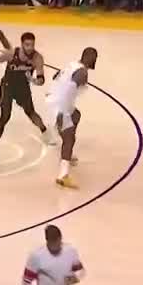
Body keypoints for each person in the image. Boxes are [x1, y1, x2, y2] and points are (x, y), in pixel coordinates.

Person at [0, 32, 55, 166]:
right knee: (5, 117)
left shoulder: (37, 58)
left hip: (23, 88)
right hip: (8, 87)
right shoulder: (12, 54)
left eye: (32, 45)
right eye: (27, 45)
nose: (30, 48)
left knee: (31, 113)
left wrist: (33, 80)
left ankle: (45, 131)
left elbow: (41, 80)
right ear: (22, 44)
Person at [45, 47, 98, 189]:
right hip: (61, 105)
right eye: (94, 58)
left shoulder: (72, 64)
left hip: (53, 100)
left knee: (77, 115)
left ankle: (66, 150)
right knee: (69, 139)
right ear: (91, 58)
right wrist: (63, 114)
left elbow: (55, 76)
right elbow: (69, 92)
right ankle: (63, 175)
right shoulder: (82, 72)